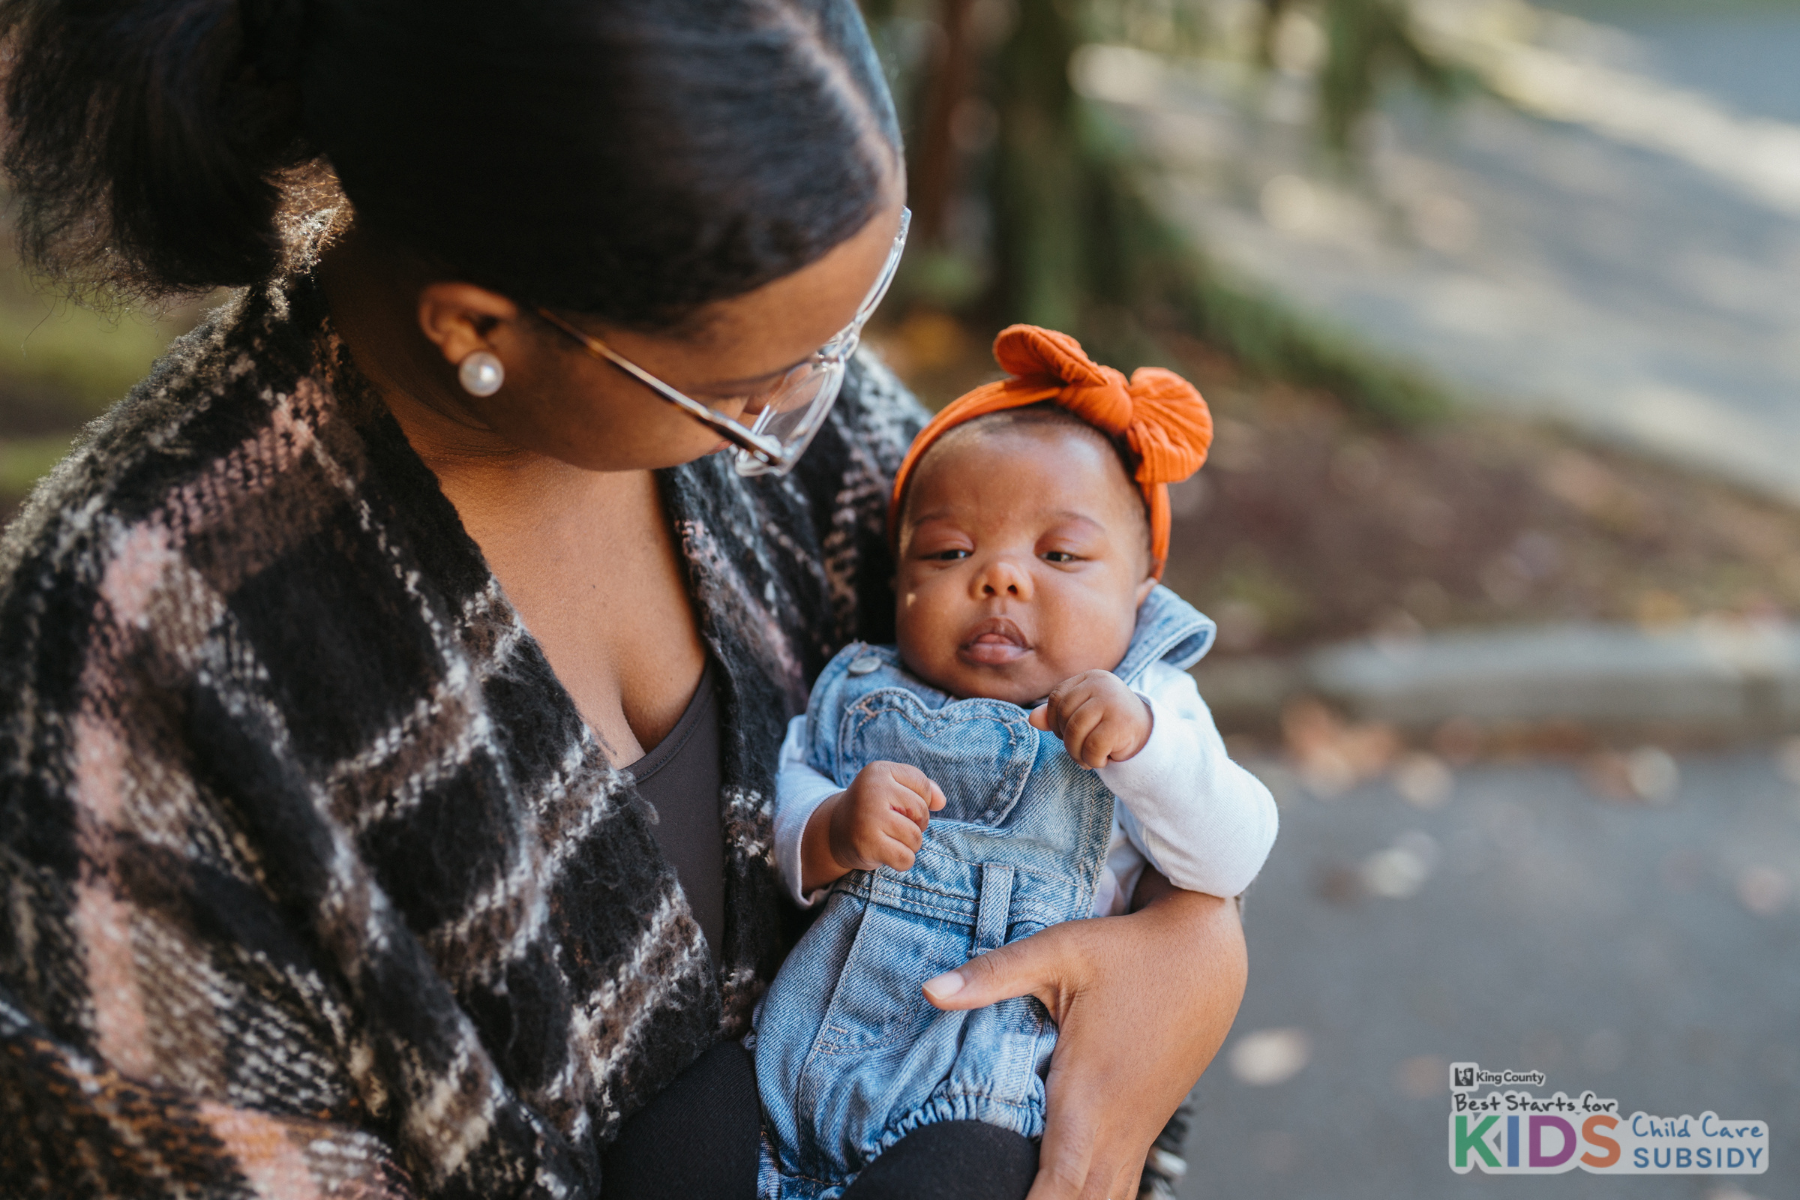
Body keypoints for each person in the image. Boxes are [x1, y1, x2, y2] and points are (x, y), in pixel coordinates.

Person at [0, 1, 1249, 1197]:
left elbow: (1109, 714)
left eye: (845, 325)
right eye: (750, 386)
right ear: (478, 326)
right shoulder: (137, 660)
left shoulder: (763, 375)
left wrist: (1194, 950)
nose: (811, 403)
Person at [756, 327, 1278, 1197]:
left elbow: (1234, 853)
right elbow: (786, 789)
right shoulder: (862, 686)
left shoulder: (1156, 707)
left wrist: (1145, 746)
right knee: (676, 1143)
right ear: (899, 582)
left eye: (1061, 555)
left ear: (1140, 594)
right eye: (949, 552)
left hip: (988, 1093)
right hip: (801, 1048)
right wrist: (828, 827)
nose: (1000, 579)